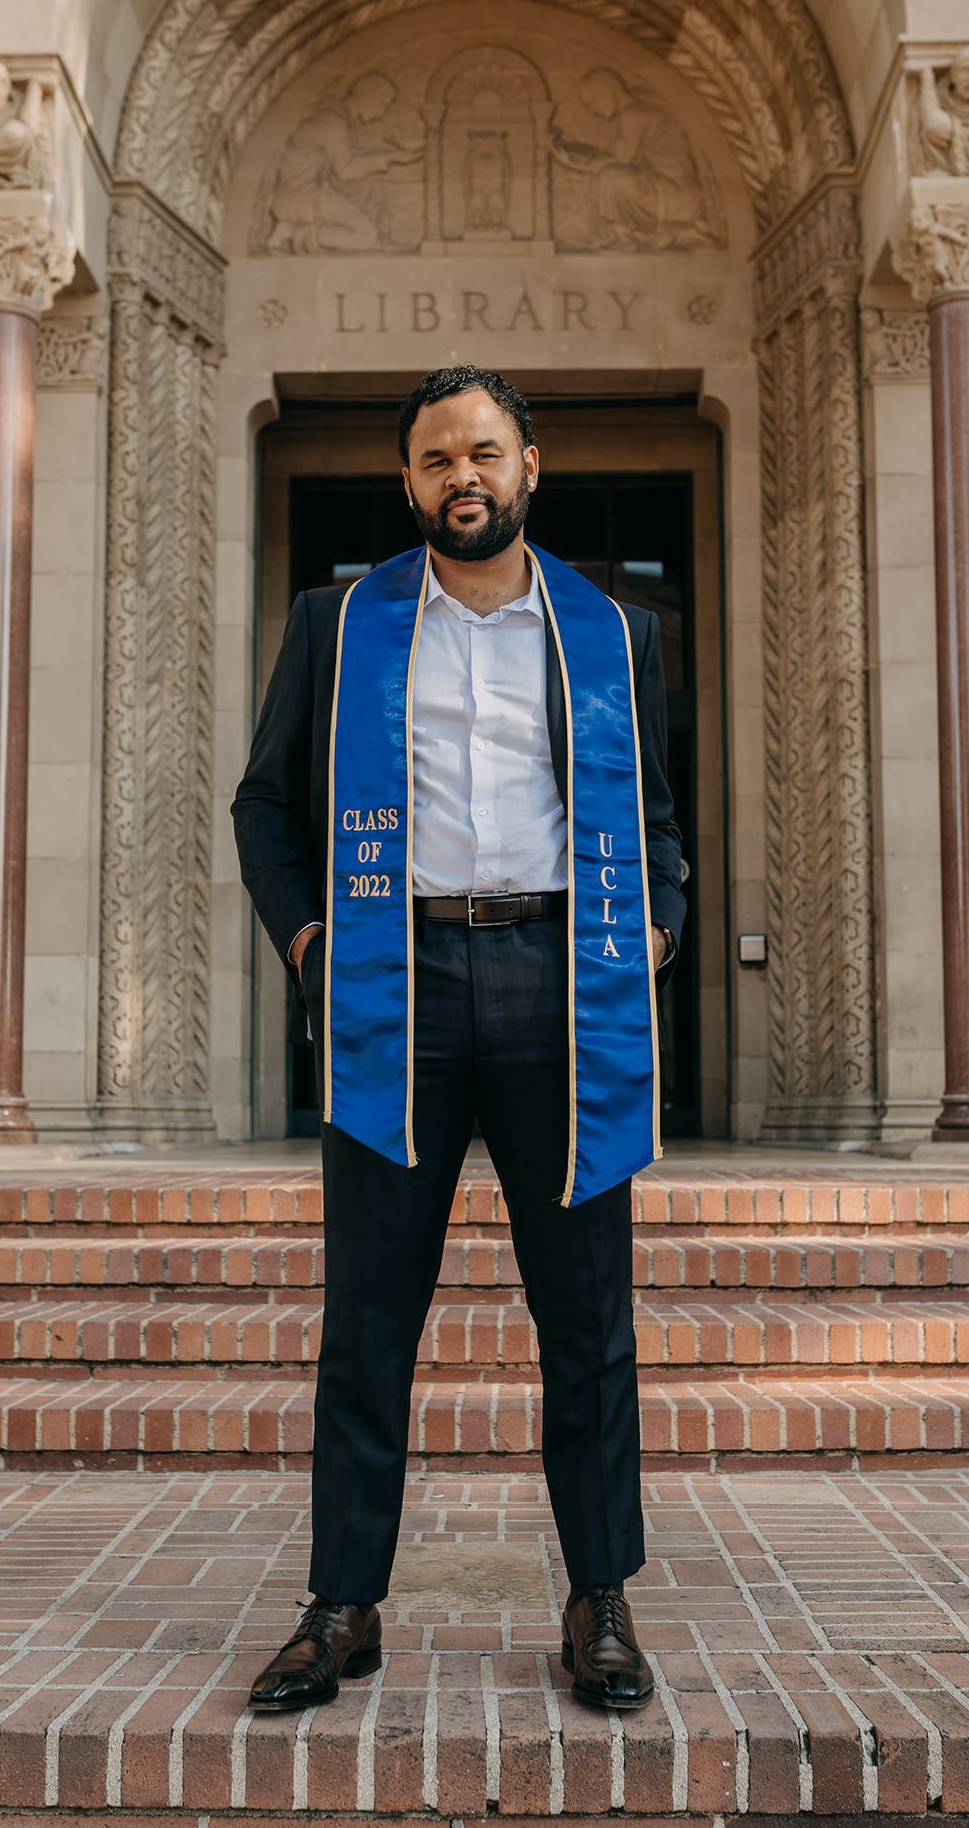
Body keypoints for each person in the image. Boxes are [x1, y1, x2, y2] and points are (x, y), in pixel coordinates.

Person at [231, 365, 685, 1713]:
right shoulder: (340, 624)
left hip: (564, 982)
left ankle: (600, 1595)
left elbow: (658, 818)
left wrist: (651, 931)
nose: (462, 477)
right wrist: (310, 940)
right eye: (437, 459)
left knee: (588, 1319)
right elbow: (264, 805)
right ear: (411, 480)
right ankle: (344, 1604)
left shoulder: (614, 632)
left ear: (531, 462)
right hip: (397, 981)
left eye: (485, 451)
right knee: (367, 1320)